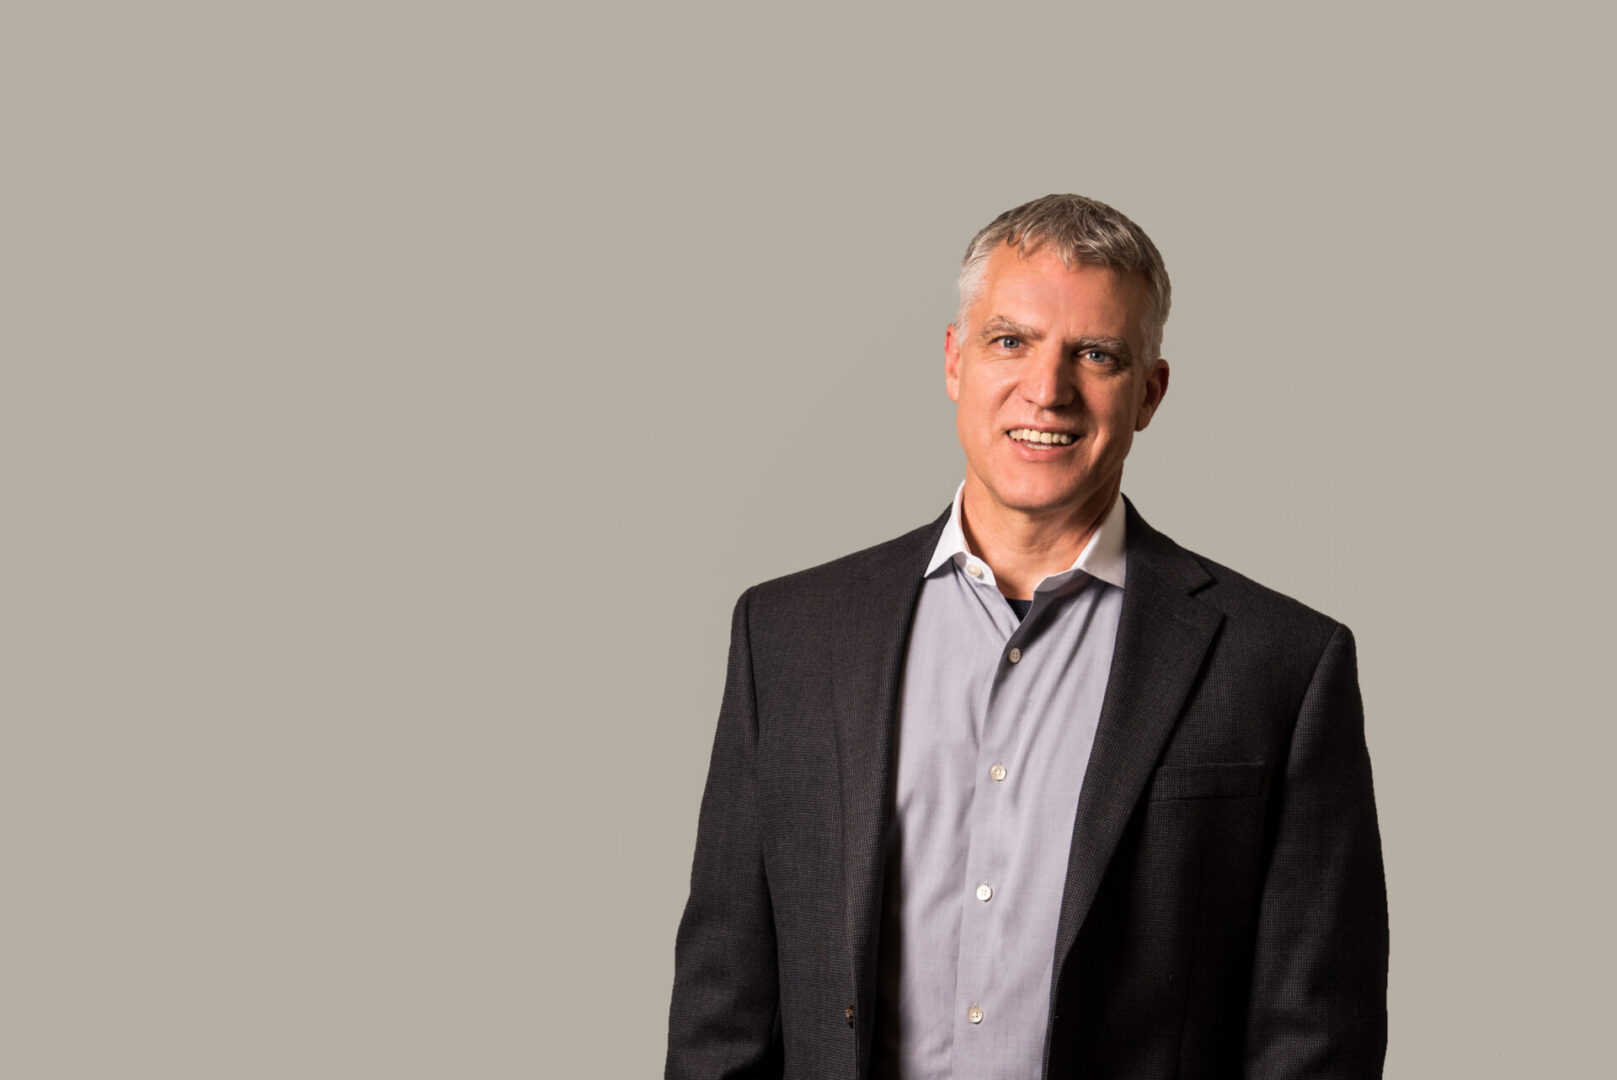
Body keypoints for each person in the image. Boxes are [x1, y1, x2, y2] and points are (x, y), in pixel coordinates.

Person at [665, 194, 1388, 1079]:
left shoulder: (1278, 663)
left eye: (1095, 354)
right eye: (1010, 341)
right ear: (954, 360)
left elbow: (1314, 1036)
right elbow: (722, 1009)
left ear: (1150, 393)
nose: (1047, 390)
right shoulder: (788, 636)